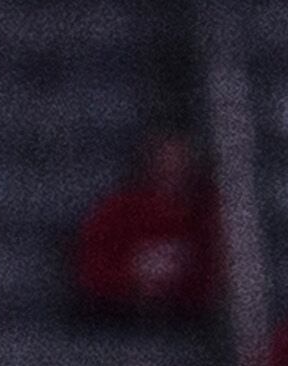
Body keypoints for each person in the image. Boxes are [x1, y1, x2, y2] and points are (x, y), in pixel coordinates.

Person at [68, 132, 220, 325]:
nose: (174, 170)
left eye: (181, 163)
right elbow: (90, 270)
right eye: (166, 163)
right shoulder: (119, 211)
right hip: (121, 318)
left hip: (189, 319)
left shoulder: (207, 214)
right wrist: (133, 276)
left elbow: (216, 273)